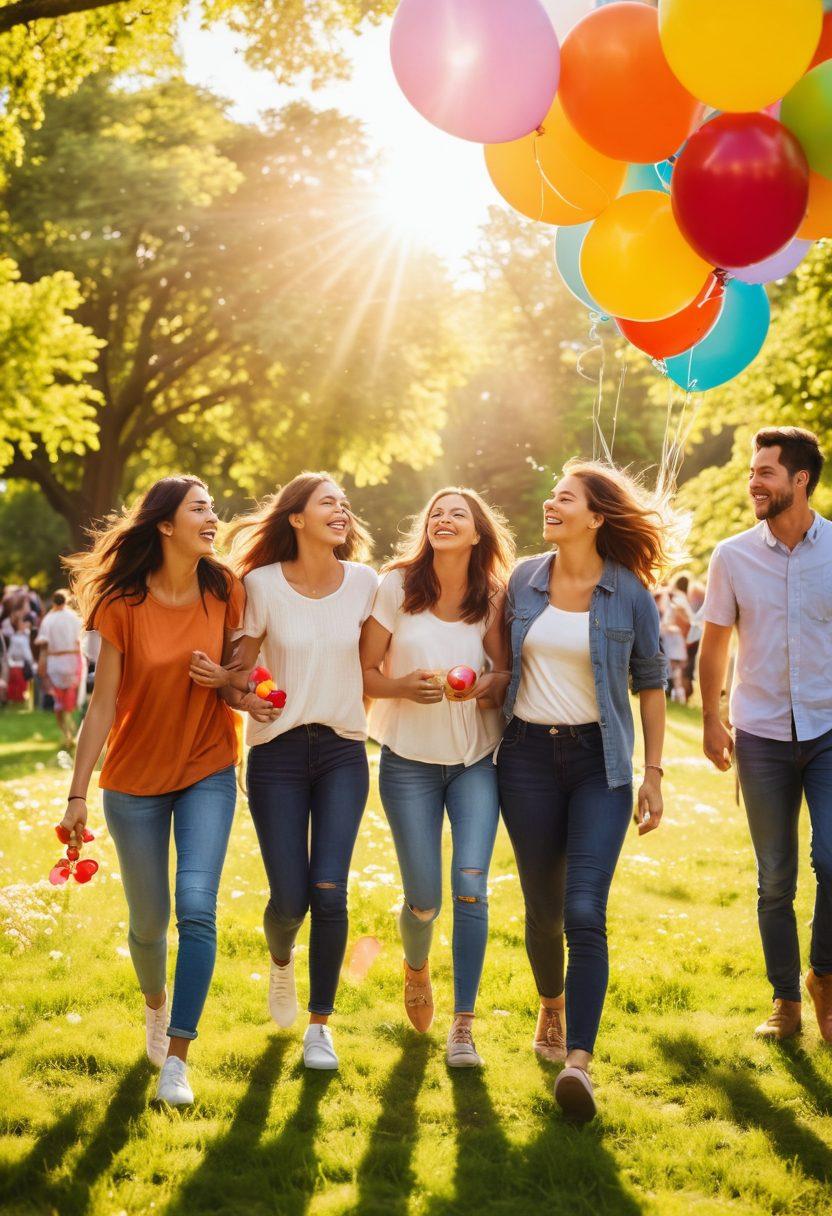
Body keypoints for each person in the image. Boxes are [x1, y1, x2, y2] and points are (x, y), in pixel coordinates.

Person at [59, 475, 267, 1106]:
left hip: (207, 765)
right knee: (148, 924)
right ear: (166, 525)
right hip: (133, 781)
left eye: (212, 509)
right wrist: (76, 796)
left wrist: (228, 681)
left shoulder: (224, 588)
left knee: (197, 908)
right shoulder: (123, 602)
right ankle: (155, 1005)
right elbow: (102, 705)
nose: (213, 519)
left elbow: (240, 686)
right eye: (199, 510)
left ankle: (177, 1057)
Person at [498, 460, 671, 1122]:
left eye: (564, 497)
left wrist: (653, 772)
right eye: (552, 495)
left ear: (596, 517)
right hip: (526, 761)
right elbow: (498, 659)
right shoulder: (523, 581)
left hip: (601, 766)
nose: (551, 503)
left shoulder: (627, 591)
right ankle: (551, 1003)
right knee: (541, 908)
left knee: (584, 910)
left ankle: (578, 1063)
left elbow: (651, 684)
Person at [206, 472, 377, 1071]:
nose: (342, 509)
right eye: (328, 502)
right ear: (297, 519)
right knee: (289, 897)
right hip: (276, 753)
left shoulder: (364, 584)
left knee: (329, 889)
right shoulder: (262, 584)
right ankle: (281, 965)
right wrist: (240, 692)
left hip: (341, 752)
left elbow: (377, 663)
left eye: (345, 504)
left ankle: (320, 1026)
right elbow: (241, 673)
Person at [360, 488, 514, 1067]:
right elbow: (366, 672)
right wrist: (404, 687)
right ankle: (416, 966)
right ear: (426, 529)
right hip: (408, 764)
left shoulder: (493, 596)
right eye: (436, 513)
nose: (444, 519)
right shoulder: (396, 586)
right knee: (424, 899)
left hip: (475, 763)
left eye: (459, 514)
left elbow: (503, 672)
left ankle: (463, 1026)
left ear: (478, 534)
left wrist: (483, 685)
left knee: (471, 887)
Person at [699, 426, 832, 1045]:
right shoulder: (731, 555)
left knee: (831, 860)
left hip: (830, 729)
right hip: (761, 735)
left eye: (766, 472)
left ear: (799, 479)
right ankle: (785, 998)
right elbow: (716, 641)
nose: (753, 481)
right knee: (775, 875)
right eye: (752, 471)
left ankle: (824, 975)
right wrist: (710, 718)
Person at [35, 590, 84, 748]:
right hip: (72, 661)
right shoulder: (74, 617)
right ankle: (73, 733)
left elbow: (43, 644)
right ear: (67, 600)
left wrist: (42, 663)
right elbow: (81, 640)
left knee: (58, 700)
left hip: (55, 662)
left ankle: (66, 734)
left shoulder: (48, 619)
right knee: (72, 697)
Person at [5, 609, 35, 704]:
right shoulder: (16, 638)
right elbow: (12, 653)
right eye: (22, 623)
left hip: (23, 664)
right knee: (19, 685)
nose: (25, 624)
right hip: (19, 664)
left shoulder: (25, 635)